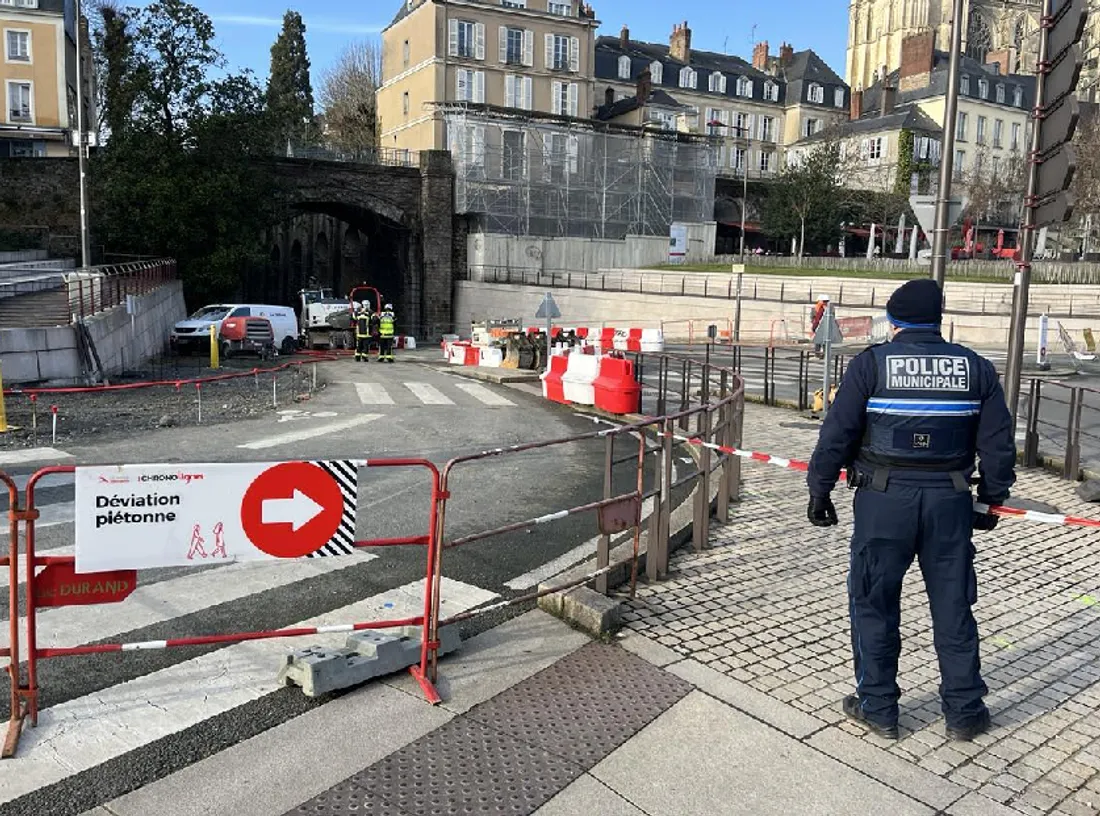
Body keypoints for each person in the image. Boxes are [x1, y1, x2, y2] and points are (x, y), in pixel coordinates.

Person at [805, 278, 1016, 742]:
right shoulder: (975, 368)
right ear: (938, 320)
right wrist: (991, 498)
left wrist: (819, 491)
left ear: (894, 321)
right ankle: (964, 712)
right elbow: (998, 444)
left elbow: (836, 434)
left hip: (883, 501)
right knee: (953, 606)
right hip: (950, 503)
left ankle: (878, 708)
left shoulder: (871, 364)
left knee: (874, 603)